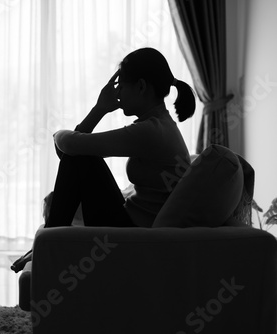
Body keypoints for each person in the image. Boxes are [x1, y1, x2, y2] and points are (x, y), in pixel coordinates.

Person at [11, 47, 196, 272]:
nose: (117, 93)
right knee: (79, 157)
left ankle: (48, 242)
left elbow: (68, 146)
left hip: (134, 234)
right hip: (133, 223)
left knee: (81, 158)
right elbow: (68, 151)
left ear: (140, 86)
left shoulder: (151, 131)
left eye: (121, 86)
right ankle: (49, 240)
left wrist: (59, 132)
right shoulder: (159, 125)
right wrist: (99, 110)